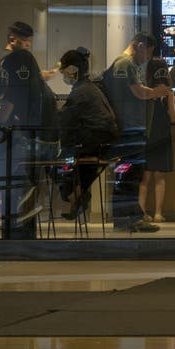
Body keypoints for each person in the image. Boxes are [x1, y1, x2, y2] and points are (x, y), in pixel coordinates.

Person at [0, 21, 56, 237]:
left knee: (15, 184)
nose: (26, 45)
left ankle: (14, 231)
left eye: (28, 41)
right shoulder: (18, 60)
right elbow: (17, 96)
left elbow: (9, 98)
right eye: (24, 41)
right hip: (26, 133)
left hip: (15, 133)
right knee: (21, 185)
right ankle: (20, 230)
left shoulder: (10, 61)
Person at [104, 32, 170, 233]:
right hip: (129, 128)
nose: (147, 59)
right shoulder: (126, 64)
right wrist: (156, 93)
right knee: (130, 175)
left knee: (128, 175)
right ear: (140, 45)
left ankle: (126, 218)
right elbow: (138, 92)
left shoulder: (121, 64)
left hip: (128, 128)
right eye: (147, 54)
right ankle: (130, 218)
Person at [57, 48, 119, 221]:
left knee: (61, 164)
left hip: (94, 140)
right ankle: (77, 194)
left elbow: (66, 121)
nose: (63, 75)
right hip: (103, 140)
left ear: (71, 71)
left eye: (64, 71)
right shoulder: (89, 88)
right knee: (78, 168)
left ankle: (72, 194)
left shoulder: (80, 92)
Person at [140, 57, 175, 224]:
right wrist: (174, 101)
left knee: (145, 177)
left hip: (147, 135)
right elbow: (174, 118)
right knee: (159, 177)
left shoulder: (146, 90)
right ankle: (158, 213)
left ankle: (142, 213)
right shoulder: (168, 92)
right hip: (162, 135)